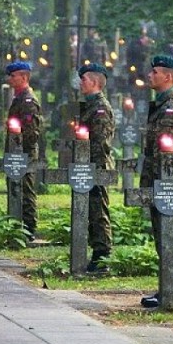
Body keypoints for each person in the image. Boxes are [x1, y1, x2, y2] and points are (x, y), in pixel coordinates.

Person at [139, 55, 173, 308]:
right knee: (161, 234)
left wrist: (159, 181)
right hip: (157, 178)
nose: (150, 75)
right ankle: (166, 287)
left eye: (155, 71)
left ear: (168, 77)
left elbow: (165, 151)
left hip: (166, 179)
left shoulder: (170, 109)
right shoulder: (160, 105)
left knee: (169, 234)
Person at [77, 63, 115, 272]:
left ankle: (102, 254)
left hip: (96, 166)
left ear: (93, 82)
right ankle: (96, 252)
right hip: (87, 165)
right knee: (91, 211)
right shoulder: (90, 106)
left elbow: (100, 142)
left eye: (83, 80)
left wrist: (92, 169)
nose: (80, 83)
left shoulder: (100, 109)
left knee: (98, 211)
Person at [5, 61, 42, 241]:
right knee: (14, 188)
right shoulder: (18, 98)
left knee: (26, 190)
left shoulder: (28, 100)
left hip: (24, 152)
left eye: (13, 76)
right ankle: (16, 224)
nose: (10, 79)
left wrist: (20, 147)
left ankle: (29, 228)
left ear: (24, 77)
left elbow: (31, 132)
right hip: (15, 151)